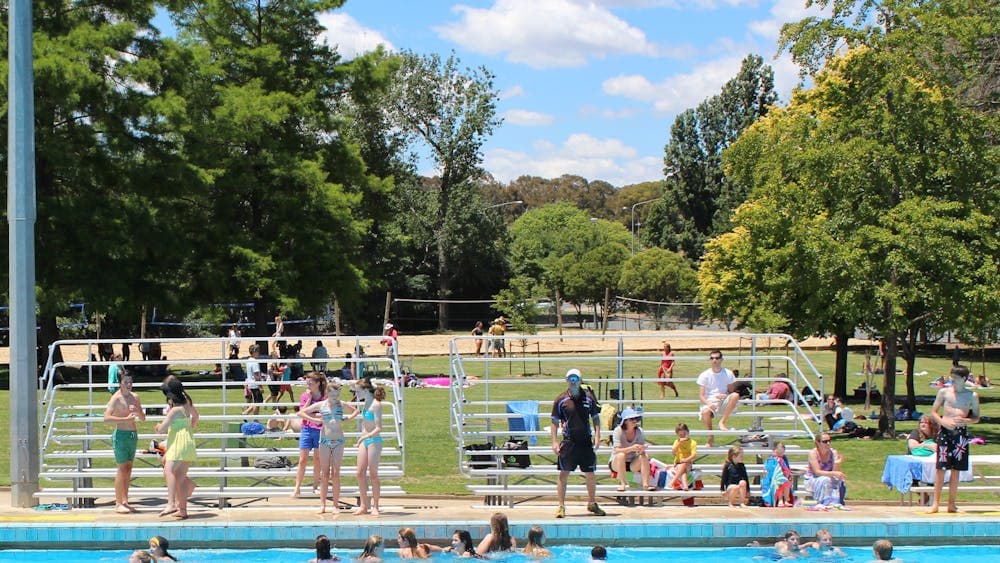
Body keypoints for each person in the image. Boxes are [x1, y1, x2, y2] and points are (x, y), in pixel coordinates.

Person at [550, 368, 606, 518]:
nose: (573, 382)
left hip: (585, 441)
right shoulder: (561, 400)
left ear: (580, 380)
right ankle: (561, 506)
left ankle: (592, 503)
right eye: (570, 379)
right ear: (566, 381)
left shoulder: (588, 398)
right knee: (564, 473)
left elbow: (595, 417)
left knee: (590, 473)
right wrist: (554, 441)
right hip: (569, 442)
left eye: (575, 379)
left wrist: (598, 435)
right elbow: (554, 421)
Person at [927, 364, 980, 514]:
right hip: (945, 432)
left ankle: (951, 504)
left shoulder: (972, 396)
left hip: (961, 435)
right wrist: (942, 421)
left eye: (955, 378)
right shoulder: (944, 392)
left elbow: (976, 417)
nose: (952, 381)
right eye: (951, 378)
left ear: (964, 379)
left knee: (956, 469)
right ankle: (935, 504)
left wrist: (968, 421)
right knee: (941, 468)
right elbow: (934, 412)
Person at [300, 381, 359, 514]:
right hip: (325, 441)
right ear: (327, 393)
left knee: (336, 473)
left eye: (337, 395)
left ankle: (336, 505)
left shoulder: (341, 404)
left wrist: (348, 418)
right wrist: (315, 420)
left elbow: (356, 410)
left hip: (338, 440)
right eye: (332, 395)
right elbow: (302, 412)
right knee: (325, 474)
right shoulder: (321, 405)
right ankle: (323, 504)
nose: (334, 397)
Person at [103, 372, 145, 514]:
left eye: (131, 382)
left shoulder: (135, 397)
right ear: (120, 383)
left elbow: (143, 418)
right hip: (121, 435)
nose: (129, 384)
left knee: (128, 469)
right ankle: (118, 502)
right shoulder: (115, 399)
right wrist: (125, 419)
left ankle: (125, 501)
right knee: (121, 469)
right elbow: (106, 418)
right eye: (126, 382)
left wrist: (138, 410)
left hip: (133, 435)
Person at [156, 381, 198, 520]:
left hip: (178, 443)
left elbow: (161, 429)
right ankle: (183, 510)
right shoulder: (186, 402)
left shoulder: (175, 411)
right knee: (179, 477)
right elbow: (196, 417)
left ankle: (171, 503)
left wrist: (158, 427)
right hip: (187, 441)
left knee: (168, 470)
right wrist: (189, 428)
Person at [291, 373, 327, 498]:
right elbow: (300, 412)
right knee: (302, 460)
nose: (308, 385)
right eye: (307, 383)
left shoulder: (324, 397)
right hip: (306, 429)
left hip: (320, 430)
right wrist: (310, 399)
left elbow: (324, 416)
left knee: (318, 460)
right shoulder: (305, 396)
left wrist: (311, 416)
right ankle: (297, 487)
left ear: (318, 383)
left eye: (310, 383)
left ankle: (315, 486)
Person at [355, 378, 385, 516]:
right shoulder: (365, 403)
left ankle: (376, 506)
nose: (356, 393)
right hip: (364, 439)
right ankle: (363, 505)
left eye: (358, 391)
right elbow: (364, 424)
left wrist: (366, 437)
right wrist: (361, 438)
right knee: (360, 473)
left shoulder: (376, 405)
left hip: (374, 440)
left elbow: (378, 428)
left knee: (373, 474)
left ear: (366, 390)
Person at [697, 350, 740, 446]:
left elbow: (732, 391)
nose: (714, 360)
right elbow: (701, 396)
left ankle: (722, 422)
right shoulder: (704, 375)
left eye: (717, 358)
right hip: (710, 402)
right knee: (705, 412)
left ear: (721, 359)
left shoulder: (728, 373)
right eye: (712, 358)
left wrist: (725, 395)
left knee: (735, 396)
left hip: (723, 401)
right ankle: (711, 438)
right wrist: (709, 404)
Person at [610, 407, 654, 491]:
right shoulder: (618, 431)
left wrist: (642, 448)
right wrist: (631, 448)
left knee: (644, 455)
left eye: (636, 418)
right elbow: (617, 450)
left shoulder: (639, 431)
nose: (635, 421)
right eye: (631, 419)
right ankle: (623, 484)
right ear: (625, 421)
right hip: (617, 463)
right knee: (621, 455)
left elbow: (641, 447)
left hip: (632, 463)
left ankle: (646, 484)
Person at [805, 432, 846, 507]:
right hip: (814, 478)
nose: (828, 443)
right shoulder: (813, 453)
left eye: (829, 441)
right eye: (825, 441)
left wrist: (837, 463)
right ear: (817, 442)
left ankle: (834, 502)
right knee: (825, 480)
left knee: (838, 480)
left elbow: (835, 471)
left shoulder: (833, 452)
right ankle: (823, 502)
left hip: (829, 477)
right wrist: (834, 474)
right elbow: (817, 472)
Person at [762, 441, 793, 507]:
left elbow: (786, 469)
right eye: (781, 447)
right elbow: (769, 471)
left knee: (785, 481)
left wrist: (787, 475)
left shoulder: (784, 458)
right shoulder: (770, 459)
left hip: (783, 477)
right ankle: (780, 500)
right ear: (775, 449)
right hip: (772, 480)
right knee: (779, 481)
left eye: (783, 448)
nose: (782, 449)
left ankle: (786, 500)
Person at [670, 422, 697, 490]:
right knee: (683, 470)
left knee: (684, 465)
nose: (682, 436)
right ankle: (685, 486)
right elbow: (673, 452)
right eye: (680, 435)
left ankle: (673, 481)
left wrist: (686, 460)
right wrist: (679, 443)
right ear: (677, 435)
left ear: (688, 432)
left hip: (688, 463)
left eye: (684, 434)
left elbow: (694, 455)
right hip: (678, 464)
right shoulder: (677, 442)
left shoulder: (692, 442)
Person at [243, 344, 264, 417]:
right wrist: (260, 386)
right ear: (254, 352)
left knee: (258, 401)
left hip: (251, 384)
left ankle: (247, 413)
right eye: (258, 351)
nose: (259, 353)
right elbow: (256, 375)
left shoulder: (248, 360)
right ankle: (249, 415)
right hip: (255, 385)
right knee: (257, 402)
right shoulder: (254, 362)